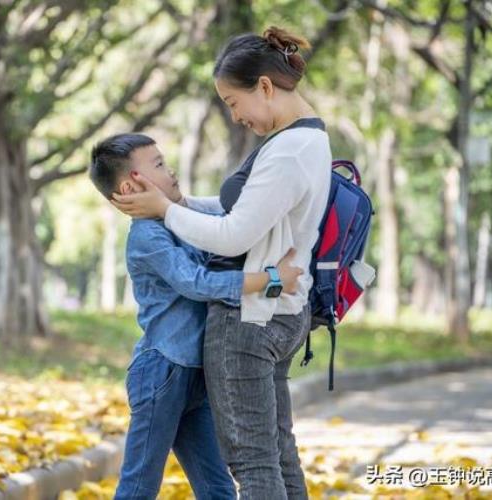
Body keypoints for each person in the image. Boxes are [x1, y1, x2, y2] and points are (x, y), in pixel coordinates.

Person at [110, 27, 332, 500]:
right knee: (275, 454)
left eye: (233, 102)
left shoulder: (287, 151)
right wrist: (179, 205)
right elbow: (244, 213)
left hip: (251, 322)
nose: (234, 117)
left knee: (254, 464)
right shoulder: (305, 140)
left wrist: (169, 210)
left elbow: (234, 234)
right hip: (274, 312)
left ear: (266, 88)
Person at [89, 132, 303, 500]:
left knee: (218, 488)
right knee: (139, 486)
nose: (170, 170)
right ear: (130, 185)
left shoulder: (180, 213)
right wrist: (270, 281)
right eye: (157, 165)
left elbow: (228, 215)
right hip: (162, 374)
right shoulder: (146, 236)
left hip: (199, 377)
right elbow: (196, 282)